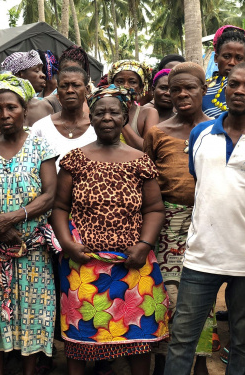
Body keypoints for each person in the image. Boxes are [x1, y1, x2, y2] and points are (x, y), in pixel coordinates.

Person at [51, 84, 168, 375]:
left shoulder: (140, 160)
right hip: (84, 265)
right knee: (80, 336)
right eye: (99, 112)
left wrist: (144, 246)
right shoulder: (75, 159)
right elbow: (60, 207)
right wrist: (67, 243)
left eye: (114, 112)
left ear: (124, 118)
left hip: (133, 264)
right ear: (91, 118)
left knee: (138, 336)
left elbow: (154, 209)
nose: (106, 117)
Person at [0, 73, 57, 375]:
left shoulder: (40, 146)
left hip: (30, 247)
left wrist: (14, 218)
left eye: (12, 108)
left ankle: (30, 370)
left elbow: (50, 194)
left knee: (32, 310)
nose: (4, 114)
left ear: (25, 110)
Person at [164, 61, 245, 375]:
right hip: (201, 258)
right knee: (183, 339)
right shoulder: (201, 133)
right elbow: (202, 183)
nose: (239, 90)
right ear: (223, 88)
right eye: (233, 83)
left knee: (242, 341)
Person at [143, 63, 213, 375]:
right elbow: (145, 185)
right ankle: (163, 363)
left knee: (203, 300)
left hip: (207, 225)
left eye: (190, 88)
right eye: (175, 89)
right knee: (166, 298)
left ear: (203, 90)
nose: (182, 94)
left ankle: (199, 365)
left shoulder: (218, 130)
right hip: (167, 226)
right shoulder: (158, 133)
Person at [31, 66, 96, 170]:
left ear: (87, 90)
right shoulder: (41, 128)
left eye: (76, 85)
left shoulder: (96, 127)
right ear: (57, 92)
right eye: (64, 86)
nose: (70, 90)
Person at [108, 60, 159, 150]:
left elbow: (147, 149)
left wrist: (120, 118)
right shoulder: (100, 111)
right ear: (111, 85)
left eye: (132, 82)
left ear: (141, 88)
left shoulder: (148, 113)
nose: (126, 86)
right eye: (120, 81)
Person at [202, 25, 245, 119]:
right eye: (227, 56)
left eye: (238, 58)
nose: (232, 63)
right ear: (216, 58)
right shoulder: (203, 89)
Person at [1, 50, 53, 126]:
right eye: (37, 70)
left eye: (42, 70)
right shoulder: (3, 111)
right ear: (19, 74)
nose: (43, 75)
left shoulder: (45, 107)